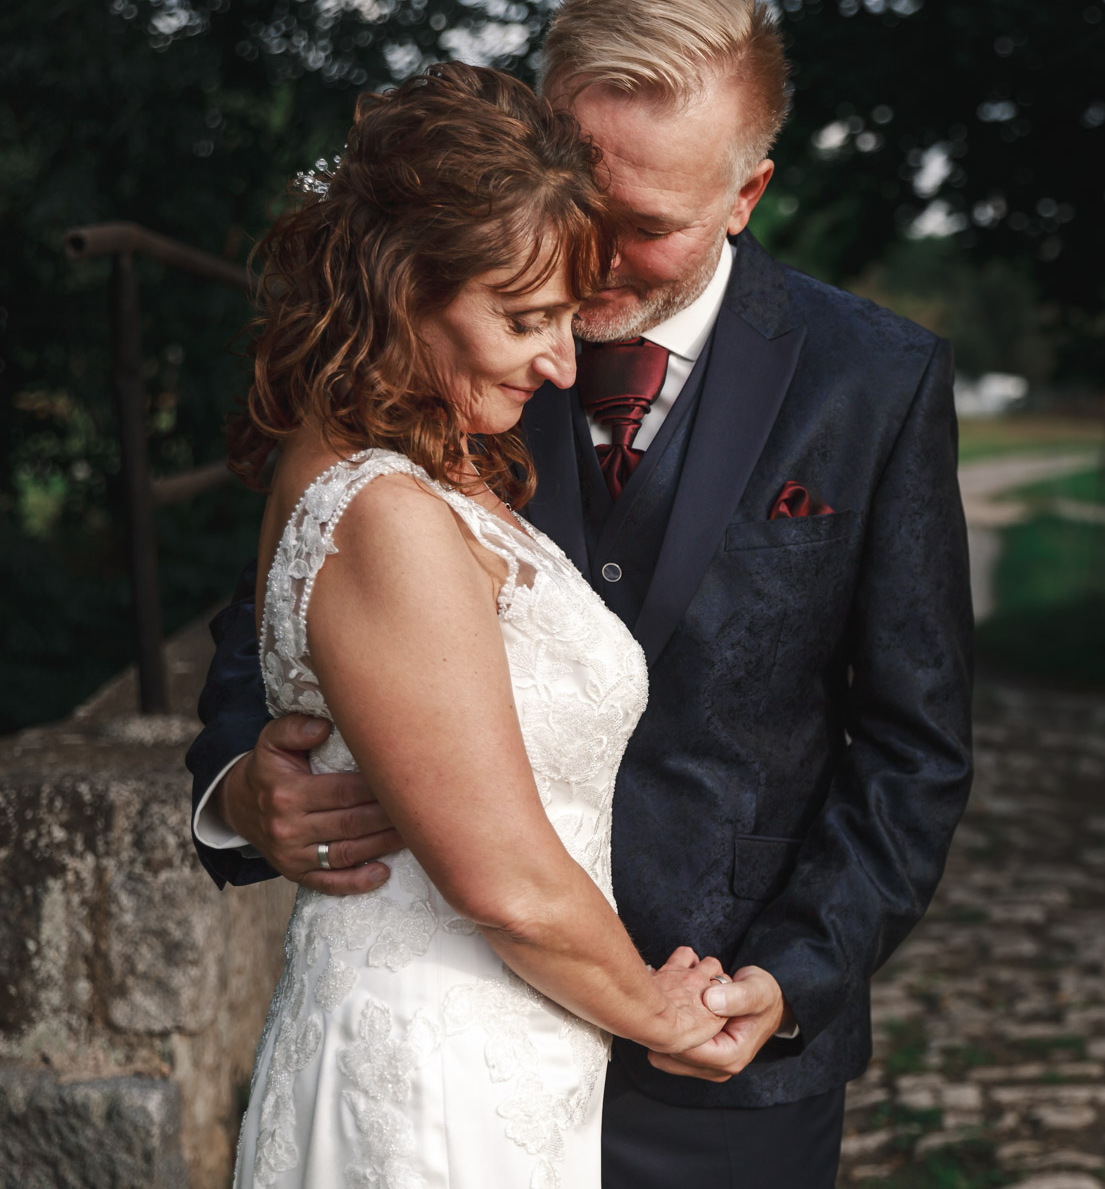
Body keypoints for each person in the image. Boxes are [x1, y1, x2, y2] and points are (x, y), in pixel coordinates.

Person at [187, 0, 975, 1189]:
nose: (591, 260)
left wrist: (790, 977)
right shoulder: (433, 346)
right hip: (448, 1041)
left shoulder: (872, 380)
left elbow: (913, 742)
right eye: (577, 198)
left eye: (646, 223)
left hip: (726, 1058)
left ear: (746, 193)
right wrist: (242, 786)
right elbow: (283, 594)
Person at [220, 60, 732, 1187]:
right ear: (405, 288)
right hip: (433, 1072)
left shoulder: (412, 462)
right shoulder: (385, 511)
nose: (561, 363)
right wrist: (667, 1014)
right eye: (524, 320)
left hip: (505, 1044)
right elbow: (500, 876)